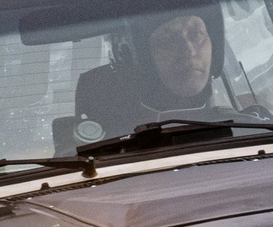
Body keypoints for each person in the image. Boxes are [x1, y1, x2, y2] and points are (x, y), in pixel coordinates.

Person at [72, 8, 243, 142]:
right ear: (136, 58)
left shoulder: (255, 131)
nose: (189, 51)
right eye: (168, 40)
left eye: (196, 34)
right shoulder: (99, 153)